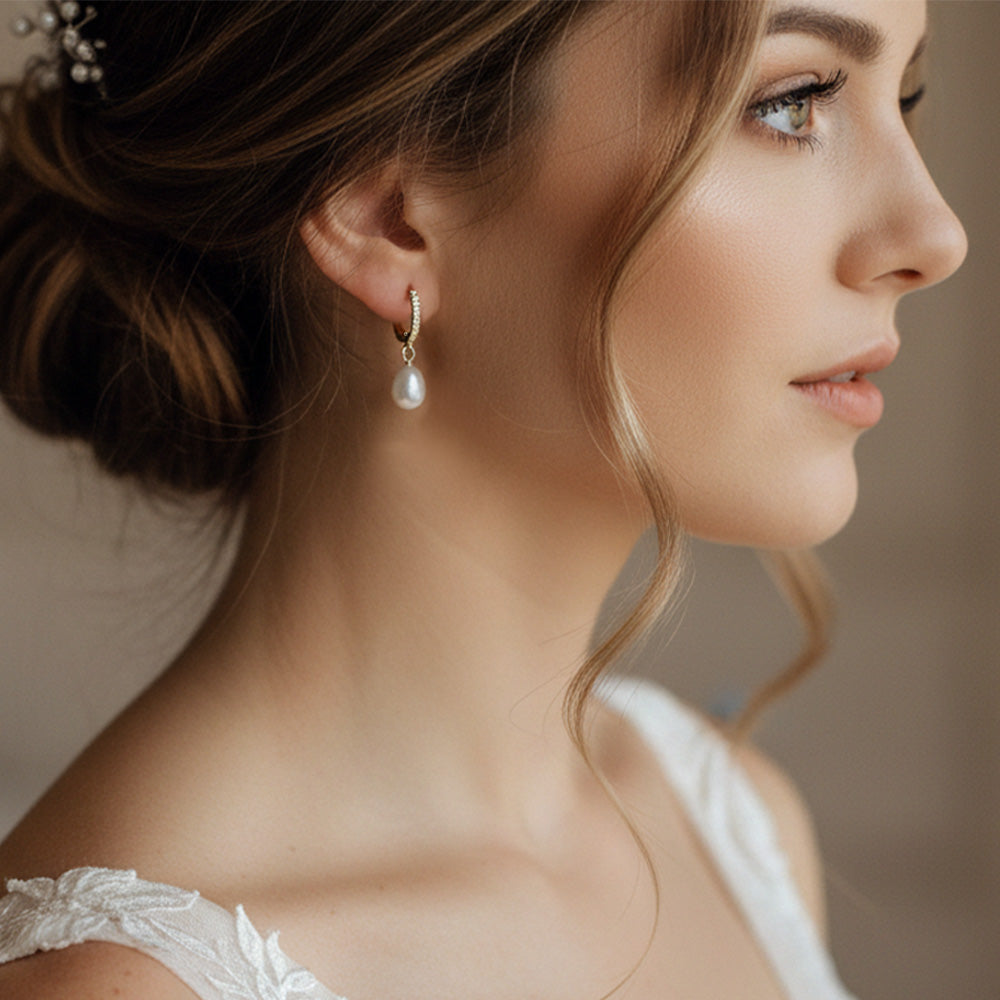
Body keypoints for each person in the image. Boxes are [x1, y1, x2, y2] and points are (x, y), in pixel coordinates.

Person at [0, 1, 966, 998]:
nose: (936, 235)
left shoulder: (731, 827)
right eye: (793, 103)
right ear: (391, 215)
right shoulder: (122, 985)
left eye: (904, 96)